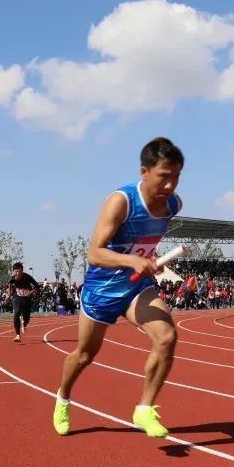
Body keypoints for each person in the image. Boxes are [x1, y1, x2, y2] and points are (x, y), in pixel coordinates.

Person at [53, 136, 184, 438]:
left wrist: (148, 260)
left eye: (177, 176)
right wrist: (133, 261)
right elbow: (95, 253)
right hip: (102, 290)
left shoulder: (173, 205)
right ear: (144, 172)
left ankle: (145, 409)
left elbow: (144, 244)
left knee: (166, 337)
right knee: (85, 355)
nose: (170, 185)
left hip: (137, 289)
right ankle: (63, 397)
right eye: (164, 176)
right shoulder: (122, 201)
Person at [8, 262, 39, 342]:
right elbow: (10, 285)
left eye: (19, 271)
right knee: (16, 313)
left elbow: (37, 286)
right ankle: (17, 335)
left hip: (27, 298)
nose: (17, 273)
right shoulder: (12, 278)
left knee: (27, 318)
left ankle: (24, 324)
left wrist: (30, 292)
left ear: (22, 271)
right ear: (13, 271)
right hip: (17, 297)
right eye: (16, 271)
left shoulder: (28, 277)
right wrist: (9, 294)